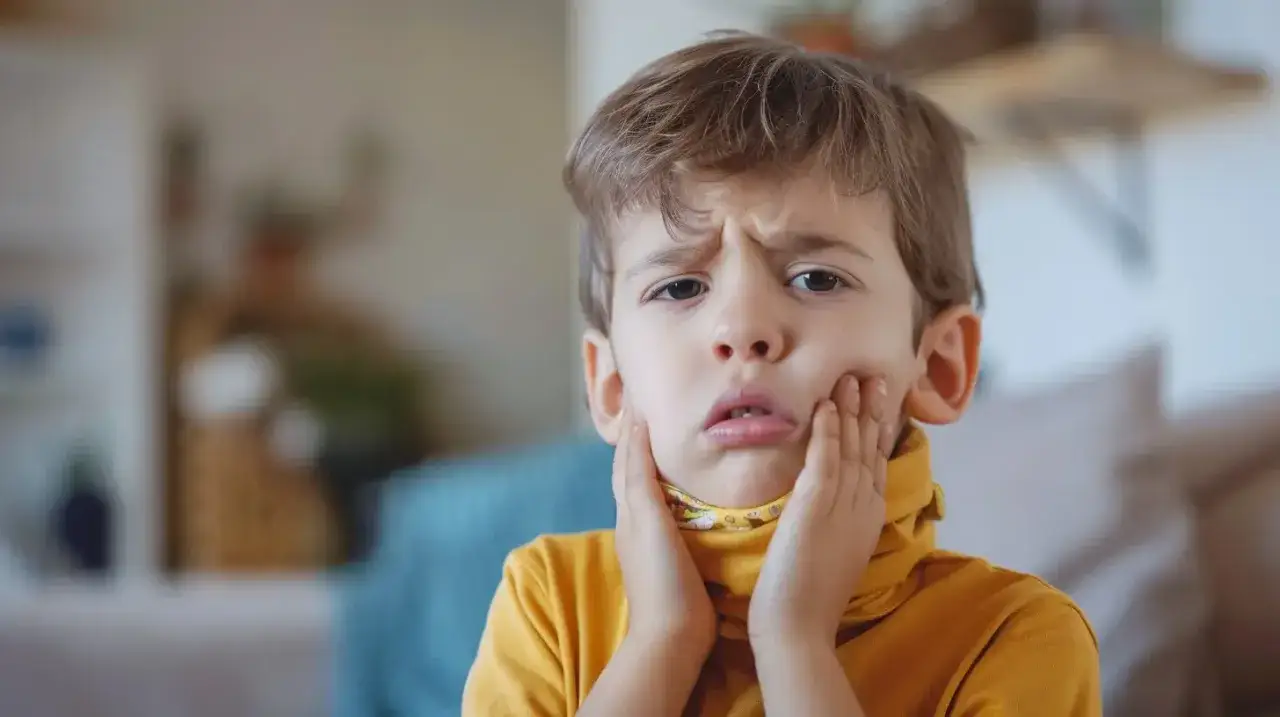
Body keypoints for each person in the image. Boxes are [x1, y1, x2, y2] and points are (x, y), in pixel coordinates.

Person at [463, 31, 1101, 716]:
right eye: (679, 288)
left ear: (938, 365)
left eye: (816, 277)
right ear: (611, 384)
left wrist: (794, 642)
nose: (741, 329)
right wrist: (660, 642)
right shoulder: (548, 604)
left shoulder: (1014, 635)